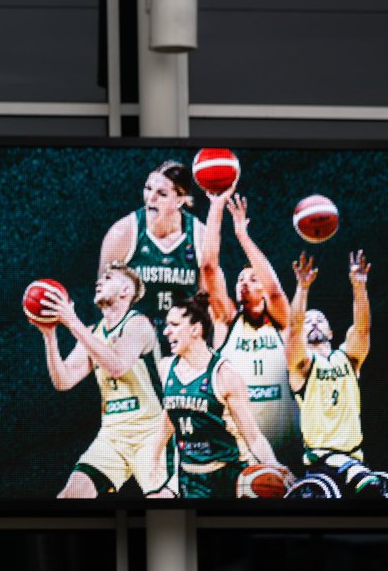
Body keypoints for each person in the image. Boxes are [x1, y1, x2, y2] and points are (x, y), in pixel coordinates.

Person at [34, 262, 169, 497]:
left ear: (125, 291)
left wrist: (72, 321)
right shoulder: (93, 332)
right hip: (113, 434)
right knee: (71, 495)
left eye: (107, 278)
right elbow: (63, 381)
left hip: (150, 433)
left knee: (163, 513)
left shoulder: (138, 324)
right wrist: (50, 335)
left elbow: (117, 365)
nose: (98, 282)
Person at [199, 187, 300, 459]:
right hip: (240, 445)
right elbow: (208, 266)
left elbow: (276, 291)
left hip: (287, 441)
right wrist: (216, 206)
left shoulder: (279, 320)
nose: (244, 282)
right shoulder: (227, 320)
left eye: (252, 279)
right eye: (240, 279)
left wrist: (243, 235)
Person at [159, 293, 293, 499]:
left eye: (174, 325)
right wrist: (151, 465)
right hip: (191, 477)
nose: (166, 331)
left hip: (230, 474)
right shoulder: (166, 367)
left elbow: (253, 435)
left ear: (195, 329)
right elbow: (170, 418)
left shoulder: (224, 374)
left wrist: (273, 463)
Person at [284, 251, 385, 498]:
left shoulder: (348, 359)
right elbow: (294, 328)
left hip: (354, 458)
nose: (314, 322)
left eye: (320, 319)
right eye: (309, 321)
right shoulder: (301, 367)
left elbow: (362, 328)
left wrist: (359, 286)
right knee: (368, 486)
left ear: (330, 332)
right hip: (322, 465)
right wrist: (302, 288)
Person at [99, 160, 206, 350]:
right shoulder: (123, 233)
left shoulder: (200, 236)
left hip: (183, 343)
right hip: (134, 342)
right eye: (148, 189)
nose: (151, 198)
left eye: (162, 194)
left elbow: (207, 300)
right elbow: (103, 296)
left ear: (180, 200)